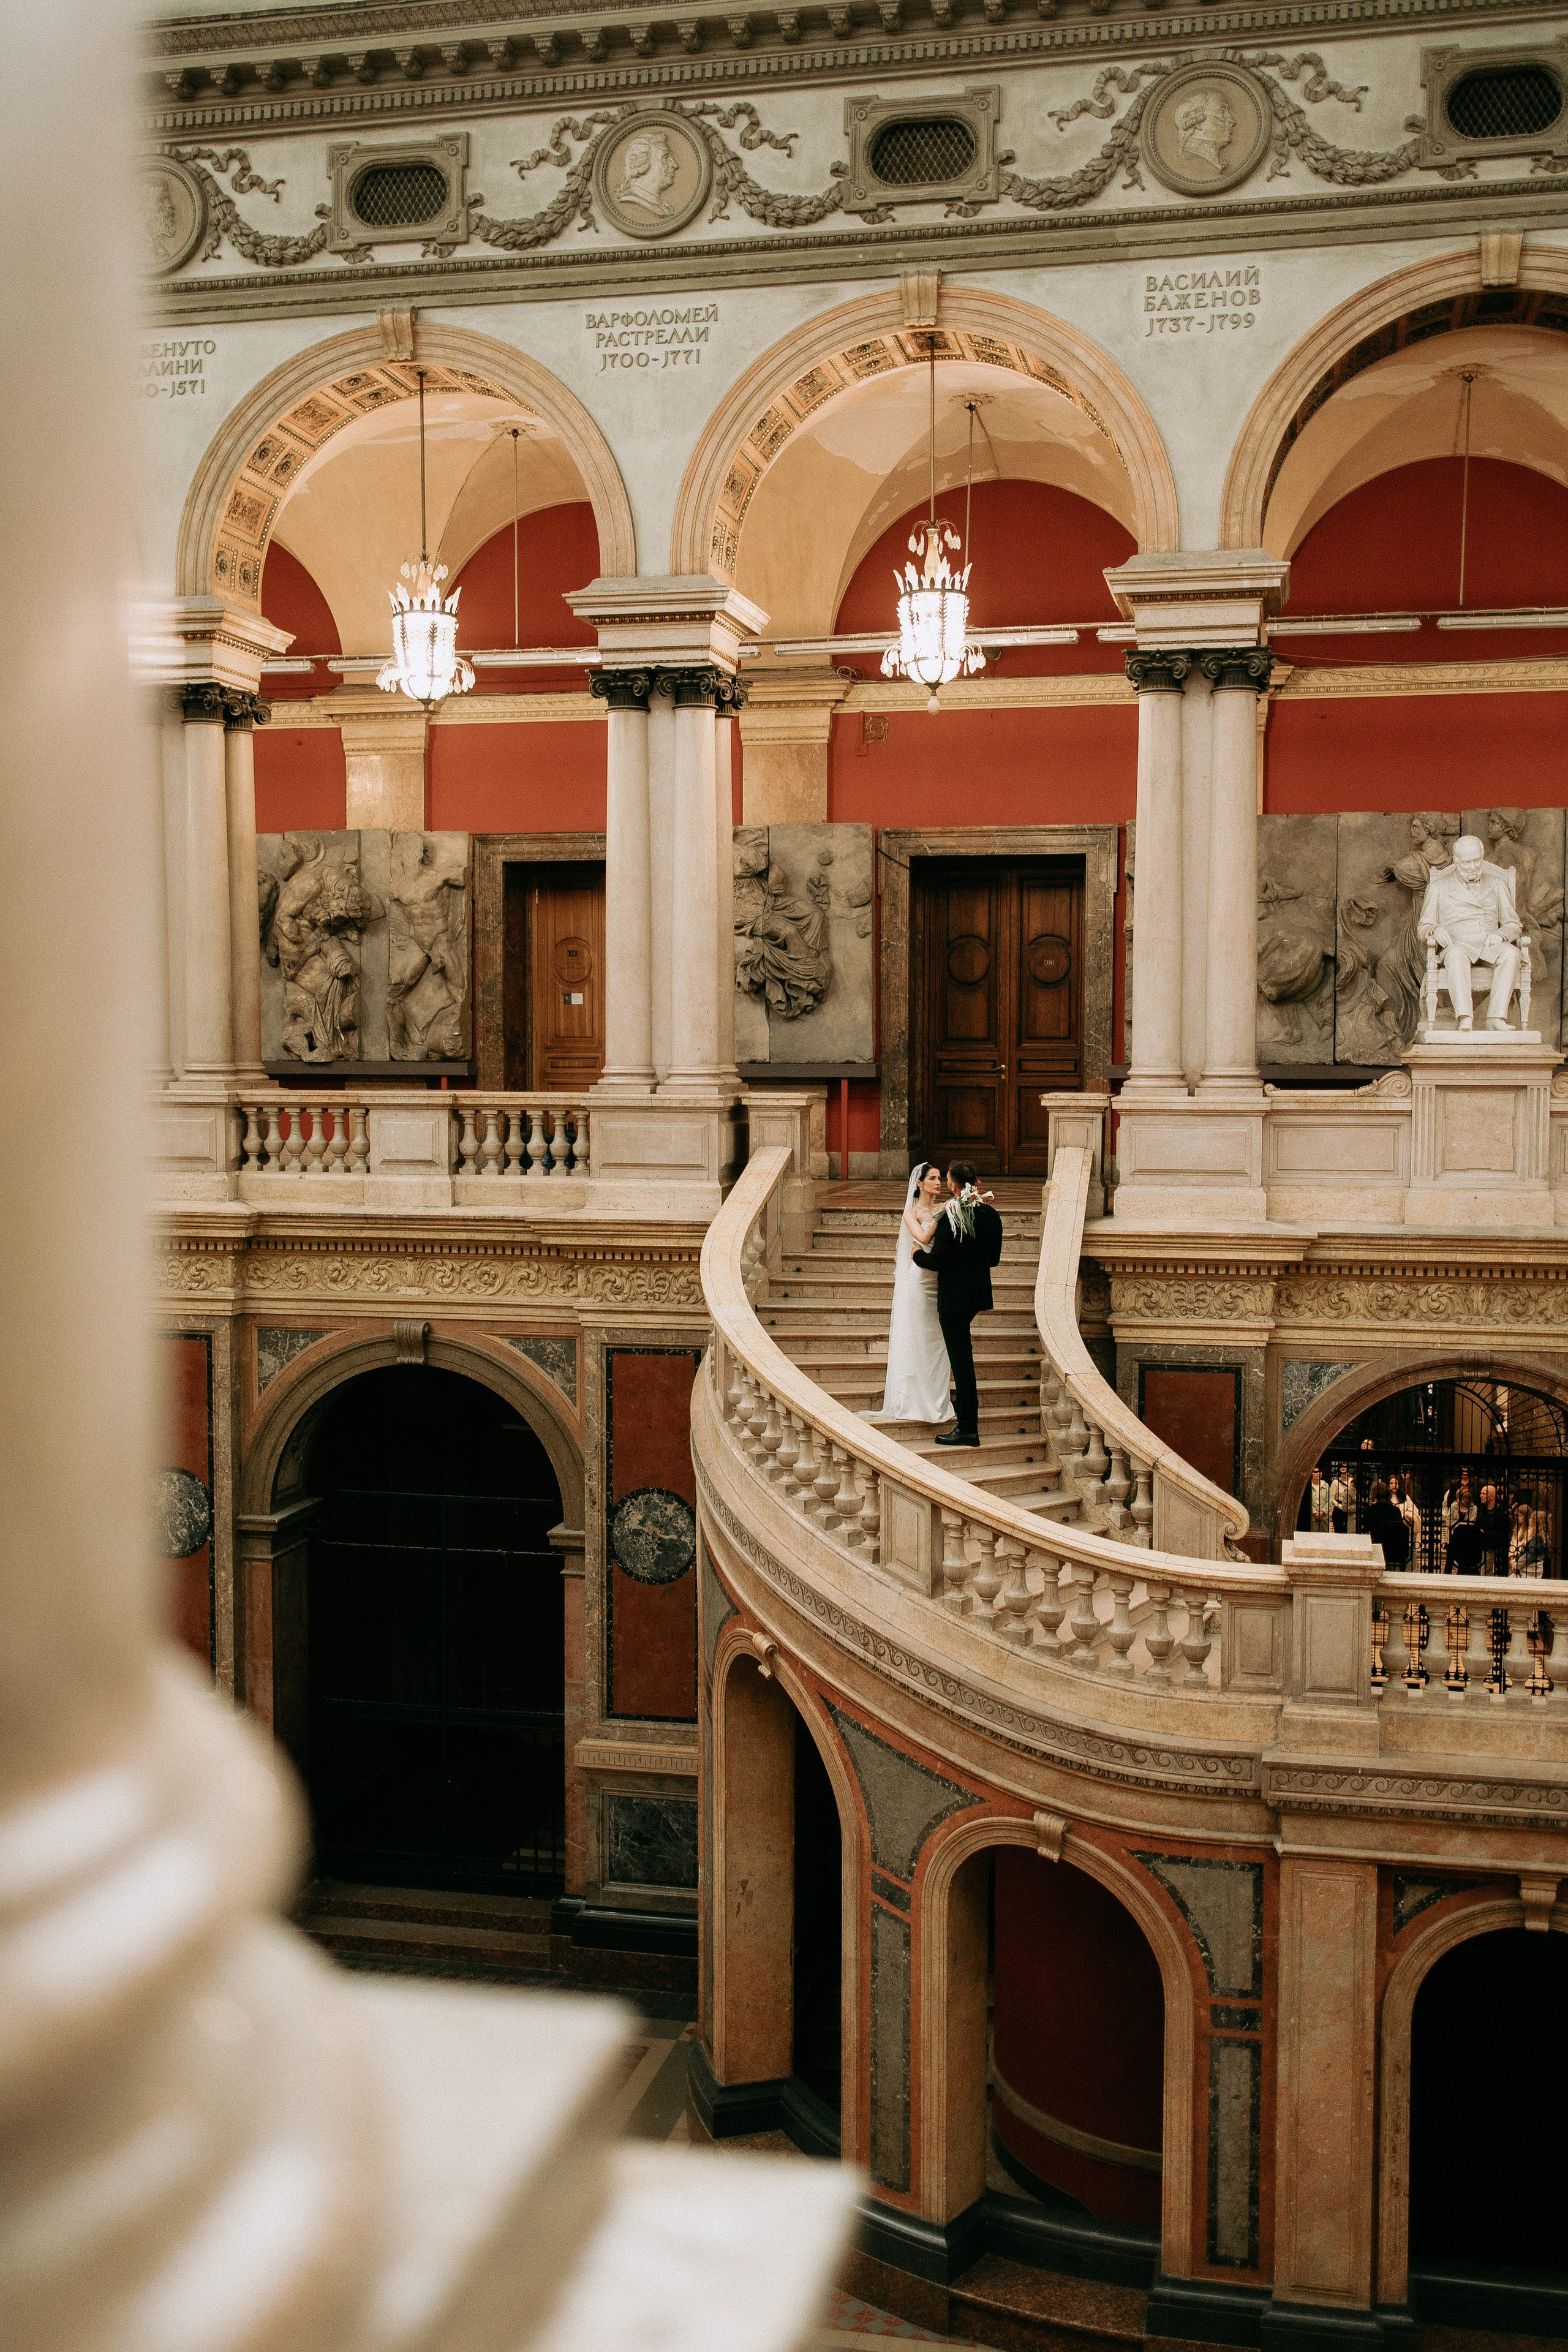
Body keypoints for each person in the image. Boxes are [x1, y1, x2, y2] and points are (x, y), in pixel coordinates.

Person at [912, 1160, 1003, 1449]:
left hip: (953, 1300)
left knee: (962, 1362)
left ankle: (968, 1428)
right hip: (976, 1296)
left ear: (953, 1186)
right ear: (974, 1183)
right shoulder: (991, 1214)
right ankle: (963, 1405)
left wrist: (916, 1254)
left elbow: (935, 1262)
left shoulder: (951, 1215)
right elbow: (993, 1260)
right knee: (963, 1357)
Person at [863, 1162, 952, 1427]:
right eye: (933, 1178)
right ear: (920, 1183)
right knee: (920, 1340)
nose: (938, 1183)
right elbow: (923, 1239)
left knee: (938, 1345)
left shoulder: (945, 1209)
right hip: (919, 1283)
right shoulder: (911, 1213)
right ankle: (914, 1400)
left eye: (940, 1178)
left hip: (941, 1282)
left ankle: (937, 1400)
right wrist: (941, 1217)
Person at [1365, 1479, 1411, 1570]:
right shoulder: (1395, 1510)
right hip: (1393, 1547)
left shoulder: (1371, 1510)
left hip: (1377, 1546)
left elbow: (1366, 1527)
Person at [1307, 1467, 1332, 1532]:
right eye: (1315, 1472)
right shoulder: (1309, 1486)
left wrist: (1322, 1512)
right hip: (1313, 1517)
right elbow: (1308, 1501)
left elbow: (1330, 1500)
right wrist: (1315, 1513)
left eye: (1319, 1472)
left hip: (1324, 1517)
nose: (1317, 1474)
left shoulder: (1326, 1486)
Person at [1329, 1469, 1352, 1535]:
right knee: (1339, 1531)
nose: (1346, 1472)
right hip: (1339, 1507)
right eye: (1343, 1470)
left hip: (1349, 1507)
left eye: (1347, 1470)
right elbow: (1331, 1498)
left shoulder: (1352, 1481)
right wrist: (1340, 1506)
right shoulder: (1336, 1482)